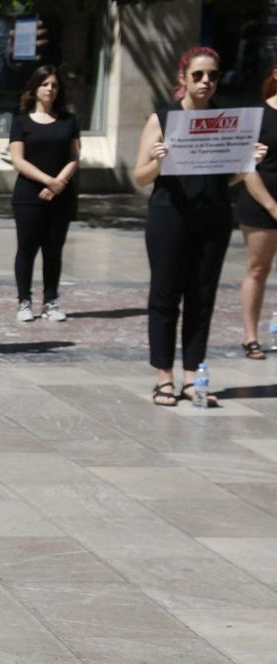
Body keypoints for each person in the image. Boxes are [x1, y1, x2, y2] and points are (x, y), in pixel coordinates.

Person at [135, 47, 265, 406]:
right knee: (165, 296)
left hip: (213, 217)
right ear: (183, 78)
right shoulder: (163, 119)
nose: (206, 81)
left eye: (212, 75)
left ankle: (192, 376)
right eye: (198, 75)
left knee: (202, 297)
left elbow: (227, 178)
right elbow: (140, 176)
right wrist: (158, 162)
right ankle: (164, 377)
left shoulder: (227, 120)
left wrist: (248, 163)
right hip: (170, 216)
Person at [8, 66, 80, 323]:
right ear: (35, 88)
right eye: (45, 84)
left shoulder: (69, 120)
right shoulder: (20, 121)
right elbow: (18, 160)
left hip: (61, 195)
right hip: (28, 195)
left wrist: (59, 183)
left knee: (53, 250)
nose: (50, 89)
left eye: (54, 85)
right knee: (26, 249)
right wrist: (48, 181)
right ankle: (24, 301)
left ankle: (50, 301)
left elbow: (74, 157)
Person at [233, 60, 277, 361]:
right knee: (258, 268)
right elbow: (246, 167)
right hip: (261, 202)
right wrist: (272, 206)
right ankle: (251, 337)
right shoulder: (258, 115)